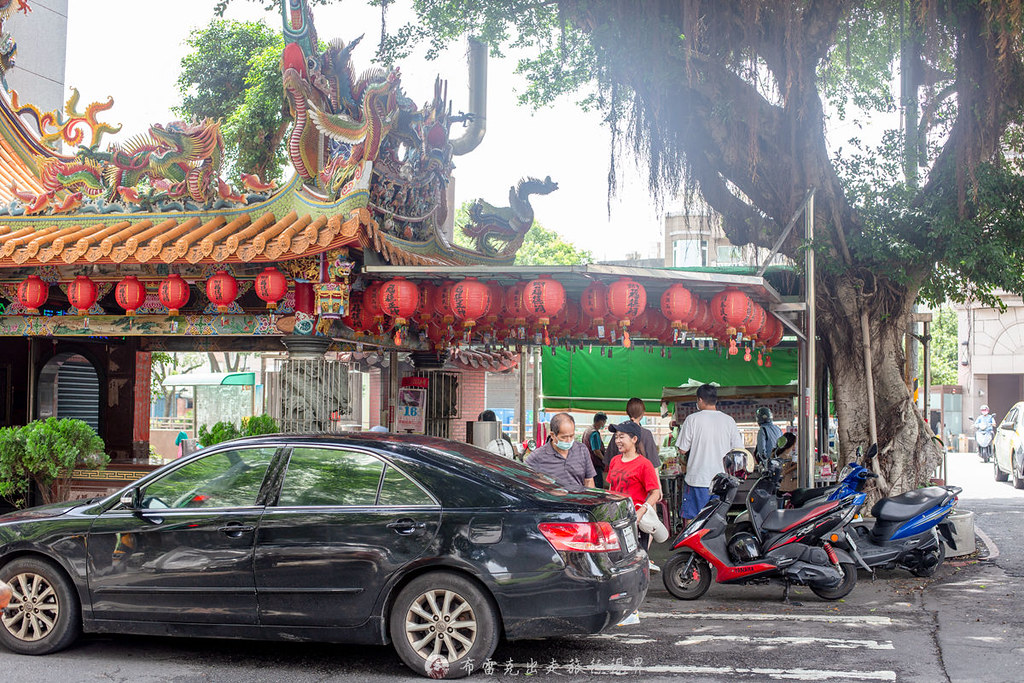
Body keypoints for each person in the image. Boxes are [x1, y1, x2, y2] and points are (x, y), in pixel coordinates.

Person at [675, 384, 744, 526]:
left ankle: (694, 547)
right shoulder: (728, 420)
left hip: (697, 479)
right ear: (715, 400)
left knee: (692, 518)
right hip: (721, 481)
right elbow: (738, 450)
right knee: (716, 519)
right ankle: (712, 546)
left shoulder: (692, 419)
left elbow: (682, 449)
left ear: (700, 400)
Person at [606, 420, 663, 571]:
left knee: (635, 563)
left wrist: (641, 512)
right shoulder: (614, 461)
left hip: (635, 521)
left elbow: (655, 493)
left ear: (634, 439)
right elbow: (612, 488)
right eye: (616, 437)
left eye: (621, 437)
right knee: (616, 559)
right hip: (616, 518)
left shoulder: (644, 464)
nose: (617, 441)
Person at [524, 413, 596, 490]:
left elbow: (589, 480)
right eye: (564, 437)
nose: (569, 441)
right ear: (552, 435)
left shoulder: (582, 450)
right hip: (553, 501)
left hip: (578, 500)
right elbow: (524, 481)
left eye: (571, 436)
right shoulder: (537, 456)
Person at [604, 398, 660, 473]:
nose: (618, 440)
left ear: (627, 412)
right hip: (640, 478)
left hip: (621, 479)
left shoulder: (618, 432)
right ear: (642, 413)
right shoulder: (646, 434)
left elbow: (609, 463)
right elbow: (654, 465)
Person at [581, 412, 608, 487]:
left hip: (588, 463)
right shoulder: (594, 433)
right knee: (598, 486)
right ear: (600, 421)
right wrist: (604, 460)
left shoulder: (587, 430)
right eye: (604, 422)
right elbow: (596, 451)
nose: (604, 424)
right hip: (595, 465)